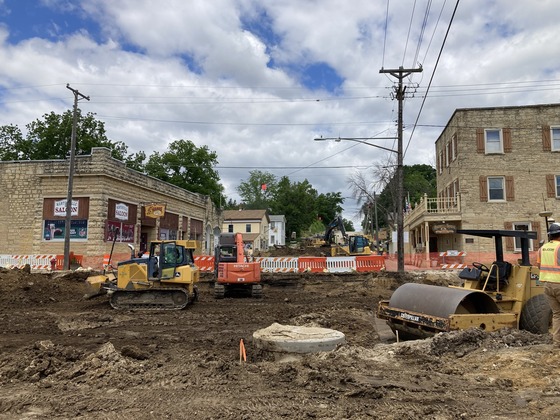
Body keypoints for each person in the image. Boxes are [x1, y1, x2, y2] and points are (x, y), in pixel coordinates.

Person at [538, 222, 560, 348]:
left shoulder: (542, 249)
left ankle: (557, 343)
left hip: (547, 285)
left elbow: (539, 266)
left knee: (557, 314)